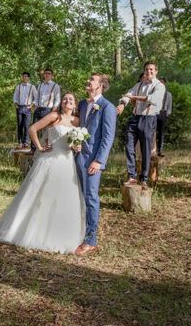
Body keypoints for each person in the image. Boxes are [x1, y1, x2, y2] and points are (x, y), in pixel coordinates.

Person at [0, 92, 86, 253]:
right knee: (41, 194)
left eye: (71, 99)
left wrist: (77, 146)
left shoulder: (77, 121)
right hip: (50, 160)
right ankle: (30, 230)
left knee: (63, 196)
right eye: (65, 99)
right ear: (61, 103)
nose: (67, 101)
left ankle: (60, 232)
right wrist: (41, 148)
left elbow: (76, 143)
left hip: (67, 162)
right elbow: (32, 129)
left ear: (75, 104)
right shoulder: (54, 116)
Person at [73, 74, 117, 256]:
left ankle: (91, 240)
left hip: (93, 161)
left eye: (92, 79)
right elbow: (78, 128)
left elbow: (108, 137)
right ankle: (78, 232)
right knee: (78, 196)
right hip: (78, 156)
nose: (88, 81)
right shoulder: (83, 105)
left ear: (100, 86)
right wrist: (74, 143)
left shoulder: (107, 107)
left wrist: (99, 161)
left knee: (91, 198)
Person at [116, 61, 166, 190]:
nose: (148, 72)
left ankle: (144, 178)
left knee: (146, 150)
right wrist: (122, 103)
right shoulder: (139, 84)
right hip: (135, 117)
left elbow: (152, 99)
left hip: (148, 118)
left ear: (156, 71)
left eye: (151, 69)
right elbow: (128, 95)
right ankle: (132, 176)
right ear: (144, 71)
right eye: (146, 69)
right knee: (129, 146)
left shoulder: (159, 86)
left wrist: (135, 97)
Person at [31, 68, 61, 149]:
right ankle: (33, 148)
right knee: (34, 129)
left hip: (48, 110)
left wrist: (54, 110)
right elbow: (37, 97)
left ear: (52, 75)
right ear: (44, 75)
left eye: (49, 73)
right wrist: (35, 106)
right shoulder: (40, 85)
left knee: (47, 131)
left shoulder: (55, 86)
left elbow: (58, 99)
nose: (47, 75)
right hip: (38, 109)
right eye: (46, 73)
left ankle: (47, 147)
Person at [12, 72, 36, 150]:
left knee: (26, 125)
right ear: (22, 77)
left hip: (27, 108)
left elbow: (36, 98)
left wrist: (31, 105)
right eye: (23, 76)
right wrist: (16, 104)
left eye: (26, 76)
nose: (24, 77)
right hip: (19, 107)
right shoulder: (18, 87)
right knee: (20, 125)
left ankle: (26, 142)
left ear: (28, 78)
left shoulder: (32, 87)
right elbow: (15, 96)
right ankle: (20, 142)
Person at [156, 77, 172, 157]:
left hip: (163, 113)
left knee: (161, 133)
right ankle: (153, 150)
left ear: (164, 84)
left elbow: (169, 106)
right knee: (152, 133)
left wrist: (167, 114)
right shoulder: (155, 93)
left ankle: (160, 150)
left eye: (162, 83)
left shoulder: (168, 94)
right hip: (155, 113)